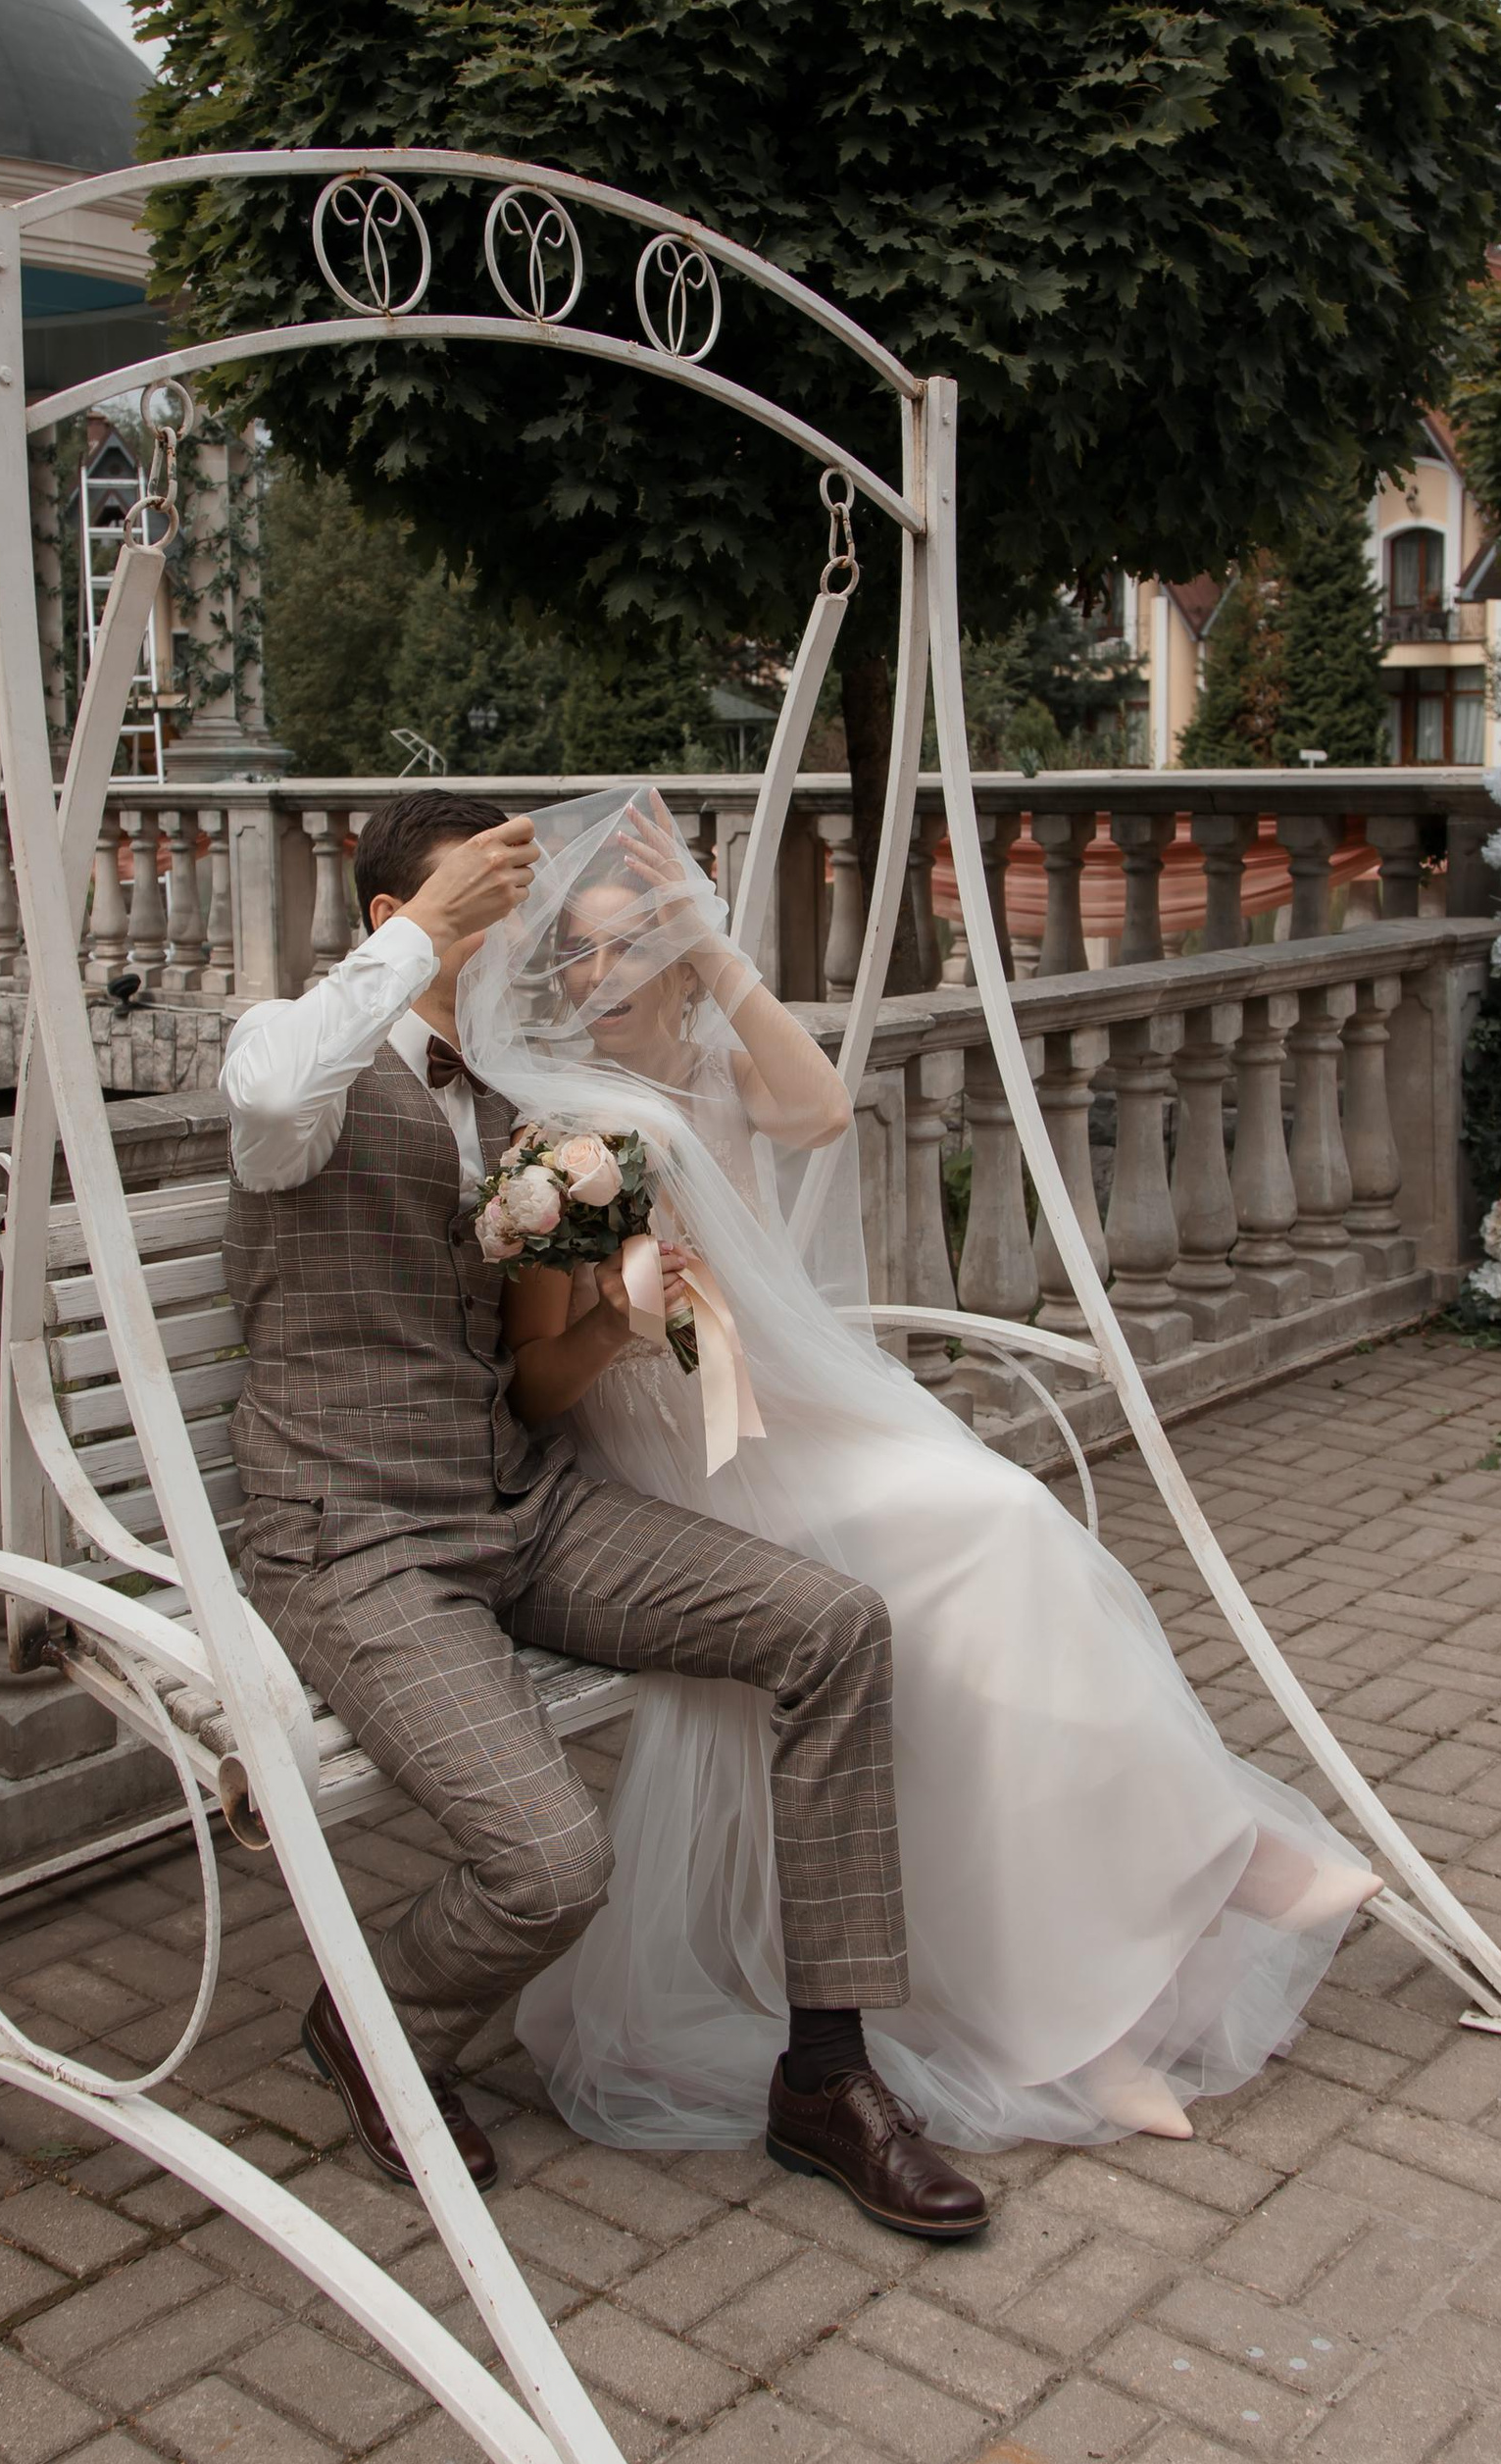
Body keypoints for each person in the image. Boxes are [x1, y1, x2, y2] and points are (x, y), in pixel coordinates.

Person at [449, 785, 1382, 2152]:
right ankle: (1209, 1886)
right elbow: (545, 1382)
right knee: (986, 1544)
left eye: (625, 944)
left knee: (996, 1611)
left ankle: (1109, 2006)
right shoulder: (561, 1131)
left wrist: (713, 947)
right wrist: (611, 1314)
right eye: (577, 954)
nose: (600, 977)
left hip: (796, 1426)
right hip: (686, 1467)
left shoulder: (704, 1070)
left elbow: (820, 1112)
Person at [217, 789, 988, 2238]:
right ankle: (375, 2021)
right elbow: (265, 1094)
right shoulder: (299, 1072)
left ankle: (826, 2077)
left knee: (832, 1628)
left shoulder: (527, 1097)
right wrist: (414, 941)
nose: (507, 931)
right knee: (551, 1865)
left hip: (527, 1505)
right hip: (356, 1540)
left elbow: (546, 1358)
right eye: (478, 904)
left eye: (511, 906)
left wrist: (627, 1329)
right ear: (394, 920)